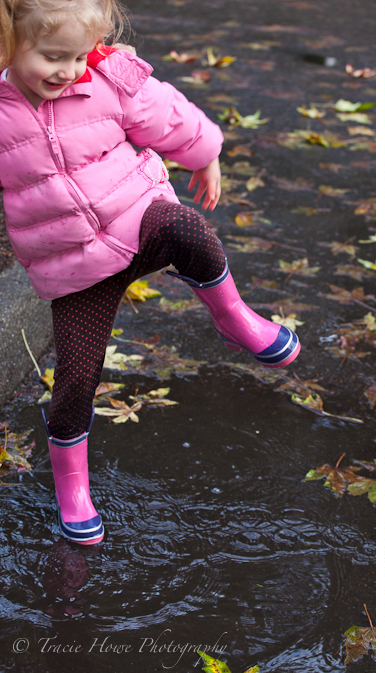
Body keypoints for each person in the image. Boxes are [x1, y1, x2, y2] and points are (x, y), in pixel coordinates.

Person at [0, 0, 301, 545]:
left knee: (188, 229)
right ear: (8, 39)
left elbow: (166, 114)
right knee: (74, 379)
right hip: (74, 269)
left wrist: (205, 151)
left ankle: (233, 316)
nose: (69, 71)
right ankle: (72, 487)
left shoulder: (105, 77)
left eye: (78, 55)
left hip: (137, 219)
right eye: (52, 57)